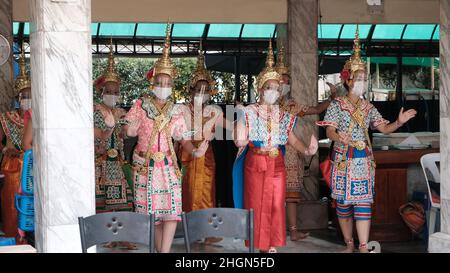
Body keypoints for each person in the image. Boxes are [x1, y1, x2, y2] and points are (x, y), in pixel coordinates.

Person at [318, 27, 417, 253]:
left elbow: (384, 127)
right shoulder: (337, 105)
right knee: (343, 205)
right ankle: (349, 244)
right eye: (359, 77)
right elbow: (329, 132)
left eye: (365, 77)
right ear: (349, 79)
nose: (363, 81)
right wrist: (338, 136)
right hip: (343, 160)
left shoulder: (368, 106)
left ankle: (363, 246)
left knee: (363, 204)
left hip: (364, 160)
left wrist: (399, 122)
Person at [124, 23, 208, 253]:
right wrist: (128, 126)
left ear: (173, 85)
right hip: (145, 165)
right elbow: (129, 132)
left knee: (170, 213)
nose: (163, 86)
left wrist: (195, 151)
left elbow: (182, 138)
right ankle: (154, 250)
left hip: (169, 166)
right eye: (160, 82)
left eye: (168, 83)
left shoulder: (177, 110)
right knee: (151, 215)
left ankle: (165, 251)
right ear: (153, 83)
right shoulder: (141, 105)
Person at [232, 40, 318, 253]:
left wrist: (307, 150)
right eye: (270, 88)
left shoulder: (283, 115)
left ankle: (270, 244)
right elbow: (240, 140)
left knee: (275, 205)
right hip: (256, 161)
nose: (274, 91)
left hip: (276, 162)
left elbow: (291, 139)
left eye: (277, 88)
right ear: (260, 89)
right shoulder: (249, 111)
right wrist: (240, 120)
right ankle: (258, 244)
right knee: (257, 204)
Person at [275, 45, 337, 241]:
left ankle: (293, 230)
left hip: (291, 153)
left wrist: (331, 99)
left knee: (291, 194)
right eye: (282, 81)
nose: (285, 84)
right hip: (270, 152)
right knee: (271, 194)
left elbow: (316, 109)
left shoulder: (291, 104)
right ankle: (273, 230)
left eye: (287, 82)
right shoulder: (262, 106)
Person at [177, 43, 223, 244]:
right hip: (188, 153)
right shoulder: (182, 110)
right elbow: (179, 134)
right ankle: (191, 231)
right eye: (198, 89)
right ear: (192, 90)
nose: (202, 93)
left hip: (207, 155)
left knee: (207, 190)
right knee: (188, 193)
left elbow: (229, 126)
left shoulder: (213, 110)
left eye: (205, 90)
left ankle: (206, 231)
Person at [93, 41, 135, 249]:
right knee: (103, 203)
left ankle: (122, 236)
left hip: (117, 162)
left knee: (123, 202)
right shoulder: (93, 111)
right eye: (109, 90)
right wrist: (108, 127)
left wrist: (126, 124)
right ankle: (105, 237)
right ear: (101, 91)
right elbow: (96, 136)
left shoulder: (120, 111)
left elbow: (126, 135)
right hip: (99, 163)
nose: (113, 94)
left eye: (116, 91)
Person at [0, 49, 31, 240]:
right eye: (24, 95)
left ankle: (32, 238)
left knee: (30, 206)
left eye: (30, 95)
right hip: (12, 167)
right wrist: (5, 149)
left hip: (31, 166)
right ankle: (14, 239)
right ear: (18, 98)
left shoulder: (38, 118)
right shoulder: (6, 117)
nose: (27, 99)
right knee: (12, 205)